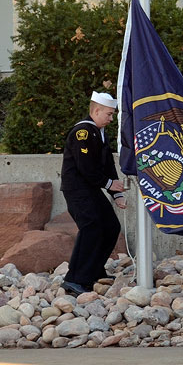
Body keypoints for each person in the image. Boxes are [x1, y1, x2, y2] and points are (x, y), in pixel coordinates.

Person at [60, 91, 126, 296]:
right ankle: (74, 279)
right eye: (108, 114)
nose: (111, 118)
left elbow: (107, 165)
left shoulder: (99, 132)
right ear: (96, 111)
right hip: (78, 189)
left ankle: (95, 270)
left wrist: (116, 193)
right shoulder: (83, 132)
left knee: (111, 226)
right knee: (91, 228)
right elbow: (85, 166)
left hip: (91, 188)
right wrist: (109, 184)